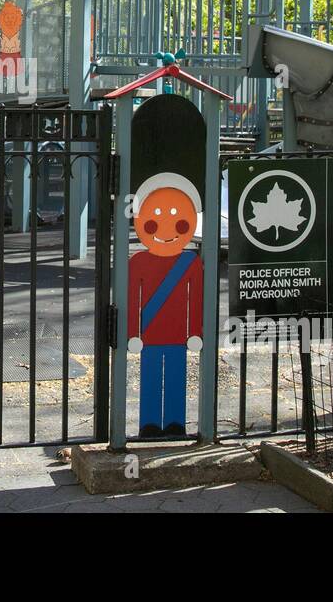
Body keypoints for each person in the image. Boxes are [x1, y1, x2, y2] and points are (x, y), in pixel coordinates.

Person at [126, 92, 206, 438]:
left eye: (179, 219)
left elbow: (198, 299)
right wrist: (133, 332)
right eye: (156, 219)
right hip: (153, 334)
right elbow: (132, 298)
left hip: (175, 334)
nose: (168, 227)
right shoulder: (139, 261)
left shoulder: (190, 263)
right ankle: (148, 423)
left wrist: (196, 332)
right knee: (151, 375)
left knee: (175, 375)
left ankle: (174, 422)